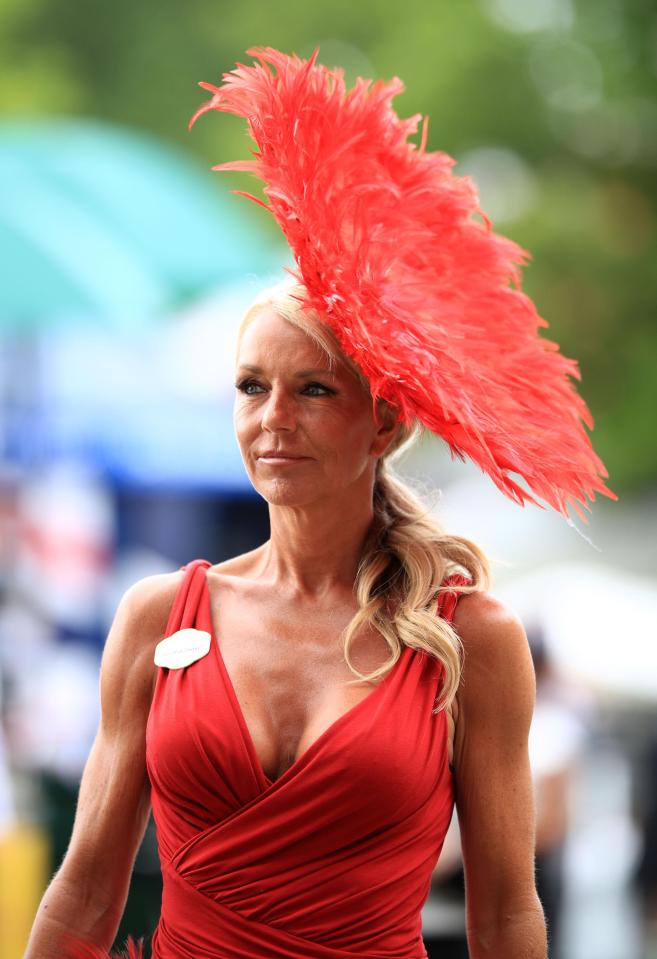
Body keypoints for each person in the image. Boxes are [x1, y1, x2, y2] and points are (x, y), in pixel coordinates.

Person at [25, 46, 614, 959]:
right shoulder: (156, 616)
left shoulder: (470, 638)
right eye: (250, 386)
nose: (271, 419)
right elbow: (85, 892)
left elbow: (504, 915)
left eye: (313, 391)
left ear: (380, 427)